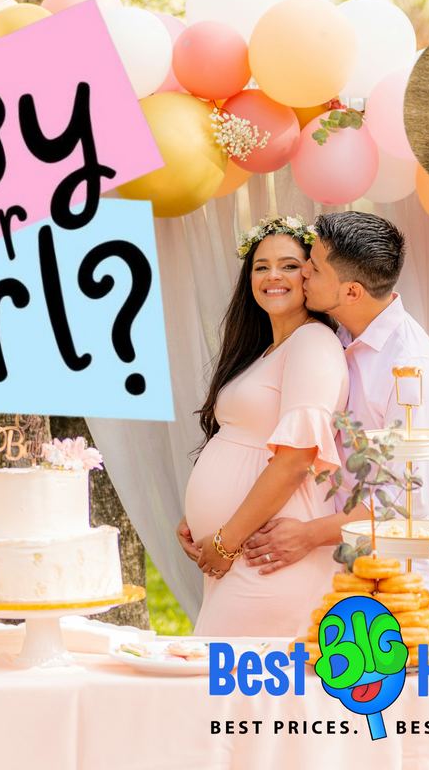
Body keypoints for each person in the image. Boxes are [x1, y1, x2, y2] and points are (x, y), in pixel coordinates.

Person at [238, 211, 429, 595]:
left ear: (352, 291)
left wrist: (308, 534)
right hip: (336, 572)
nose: (302, 273)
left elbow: (406, 501)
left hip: (396, 580)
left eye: (314, 269)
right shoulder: (335, 332)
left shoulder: (409, 370)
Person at [177, 215, 350, 638]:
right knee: (226, 690)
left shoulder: (313, 342)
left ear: (310, 276)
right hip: (237, 549)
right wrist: (199, 520)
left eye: (290, 265)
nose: (274, 275)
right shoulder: (268, 350)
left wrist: (223, 540)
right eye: (261, 266)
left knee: (226, 688)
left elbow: (295, 462)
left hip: (264, 553)